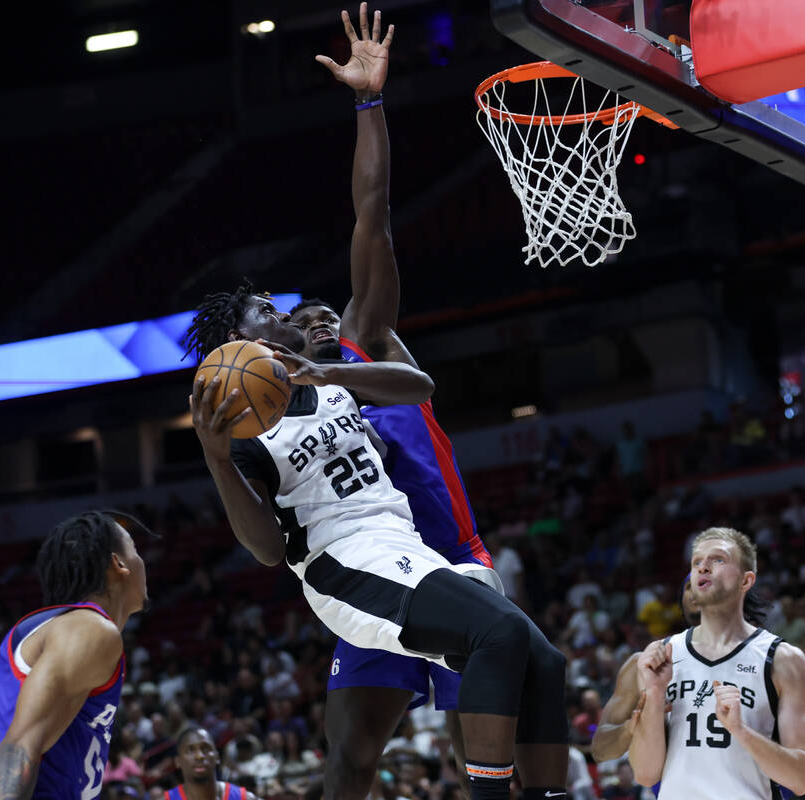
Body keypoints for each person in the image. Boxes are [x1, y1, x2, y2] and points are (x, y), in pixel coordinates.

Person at [184, 311, 568, 800]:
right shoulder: (244, 437)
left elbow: (419, 388)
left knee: (544, 661)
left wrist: (327, 371)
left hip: (403, 543)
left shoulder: (330, 382)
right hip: (342, 559)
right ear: (241, 340)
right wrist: (217, 460)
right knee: (500, 632)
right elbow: (266, 550)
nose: (283, 314)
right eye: (268, 311)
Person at [284, 7, 510, 799]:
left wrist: (368, 103)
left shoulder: (369, 343)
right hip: (379, 577)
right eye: (299, 320)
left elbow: (370, 212)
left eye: (325, 311)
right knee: (348, 758)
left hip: (455, 566)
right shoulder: (287, 413)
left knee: (479, 760)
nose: (319, 318)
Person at [0, 511, 150, 800]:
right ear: (118, 563)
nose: (143, 561)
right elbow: (18, 747)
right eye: (135, 549)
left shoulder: (61, 629)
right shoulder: (91, 628)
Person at [630, 527, 805, 799]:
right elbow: (645, 774)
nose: (703, 567)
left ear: (746, 580)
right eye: (697, 562)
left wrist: (742, 732)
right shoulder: (660, 656)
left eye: (718, 559)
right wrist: (655, 695)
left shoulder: (783, 659)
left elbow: (803, 779)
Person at [590, 574, 767, 762]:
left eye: (707, 584)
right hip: (671, 789)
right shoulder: (646, 664)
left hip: (746, 787)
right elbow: (600, 750)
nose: (697, 590)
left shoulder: (769, 659)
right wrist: (630, 727)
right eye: (690, 586)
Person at [164, 728, 260, 800]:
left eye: (205, 748)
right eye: (190, 750)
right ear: (178, 761)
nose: (199, 756)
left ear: (217, 757)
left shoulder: (243, 798)